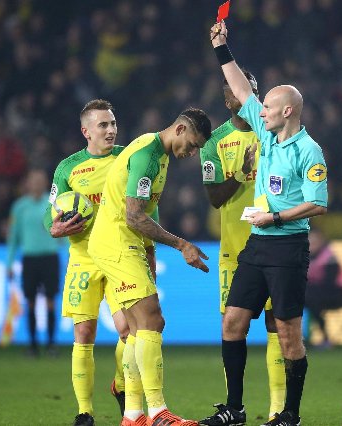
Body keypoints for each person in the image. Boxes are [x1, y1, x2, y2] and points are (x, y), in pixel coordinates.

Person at [206, 21, 328, 426]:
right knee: (233, 322)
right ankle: (235, 409)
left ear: (287, 111)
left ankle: (289, 414)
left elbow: (317, 205)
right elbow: (241, 89)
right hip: (257, 244)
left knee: (288, 332)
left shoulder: (309, 150)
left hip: (288, 247)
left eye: (269, 107)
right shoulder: (265, 130)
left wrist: (274, 216)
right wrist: (222, 49)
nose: (261, 111)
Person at [87, 107, 212, 426]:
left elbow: (146, 210)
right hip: (117, 241)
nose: (193, 153)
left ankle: (132, 416)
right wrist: (182, 244)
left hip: (122, 242)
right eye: (194, 145)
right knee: (152, 321)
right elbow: (133, 215)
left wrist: (150, 252)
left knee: (133, 331)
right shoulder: (147, 156)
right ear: (180, 130)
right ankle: (158, 413)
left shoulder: (160, 155)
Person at [199, 70, 286, 425]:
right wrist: (242, 172)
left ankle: (278, 409)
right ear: (228, 99)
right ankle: (234, 407)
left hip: (275, 244)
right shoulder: (214, 142)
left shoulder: (275, 133)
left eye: (253, 90)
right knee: (232, 326)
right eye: (241, 91)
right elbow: (215, 198)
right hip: (234, 250)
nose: (249, 96)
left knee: (276, 325)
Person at [44, 99, 133, 426]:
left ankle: (120, 385)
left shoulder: (127, 158)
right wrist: (54, 227)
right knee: (84, 333)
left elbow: (146, 202)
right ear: (86, 131)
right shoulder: (68, 168)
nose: (110, 130)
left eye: (112, 123)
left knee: (129, 331)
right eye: (103, 125)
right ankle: (85, 412)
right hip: (83, 259)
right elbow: (48, 212)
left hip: (121, 256)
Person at [7, 168, 61, 358]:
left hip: (50, 258)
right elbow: (13, 237)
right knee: (29, 302)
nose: (37, 183)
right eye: (33, 180)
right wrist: (9, 263)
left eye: (40, 180)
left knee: (50, 302)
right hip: (29, 259)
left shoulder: (54, 204)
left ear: (45, 182)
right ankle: (32, 345)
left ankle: (51, 345)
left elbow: (65, 231)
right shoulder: (19, 207)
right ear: (27, 183)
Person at [305, 229, 342, 349]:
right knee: (307, 299)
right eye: (310, 241)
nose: (311, 244)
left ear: (321, 242)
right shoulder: (305, 257)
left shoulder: (329, 258)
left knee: (311, 299)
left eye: (315, 241)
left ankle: (325, 338)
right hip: (315, 294)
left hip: (339, 294)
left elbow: (328, 283)